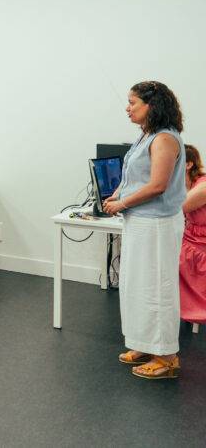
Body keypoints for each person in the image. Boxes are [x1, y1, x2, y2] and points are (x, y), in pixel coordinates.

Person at [104, 81, 186, 380]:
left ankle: (166, 356)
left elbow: (157, 185)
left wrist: (122, 202)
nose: (128, 108)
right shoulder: (146, 136)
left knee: (157, 288)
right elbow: (136, 177)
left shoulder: (164, 139)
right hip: (141, 221)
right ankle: (145, 344)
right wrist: (118, 194)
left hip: (157, 224)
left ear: (152, 105)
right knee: (136, 287)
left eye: (133, 102)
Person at [180, 144, 206, 327]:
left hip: (201, 243)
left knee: (171, 259)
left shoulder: (203, 186)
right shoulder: (186, 184)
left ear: (188, 164)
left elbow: (178, 208)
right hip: (192, 237)